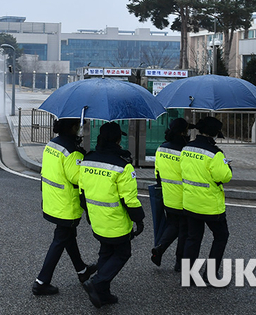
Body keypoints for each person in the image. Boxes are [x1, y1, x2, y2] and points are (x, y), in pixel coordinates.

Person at [79, 122, 145, 308]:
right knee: (123, 253)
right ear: (117, 140)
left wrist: (89, 215)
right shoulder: (123, 166)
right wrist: (139, 220)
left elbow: (82, 193)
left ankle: (103, 293)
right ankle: (97, 282)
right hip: (116, 221)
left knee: (106, 252)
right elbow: (130, 200)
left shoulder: (87, 160)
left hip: (96, 218)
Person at [33, 118, 97, 296]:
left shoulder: (52, 144)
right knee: (61, 238)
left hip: (52, 200)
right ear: (73, 127)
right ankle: (41, 282)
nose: (80, 129)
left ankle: (82, 271)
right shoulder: (72, 151)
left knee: (68, 236)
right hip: (66, 204)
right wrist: (85, 162)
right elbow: (77, 179)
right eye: (78, 126)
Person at [180, 116, 233, 285]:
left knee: (193, 238)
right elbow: (224, 177)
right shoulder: (215, 153)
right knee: (221, 236)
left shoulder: (187, 148)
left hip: (190, 201)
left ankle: (188, 275)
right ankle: (209, 275)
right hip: (210, 206)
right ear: (215, 133)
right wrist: (228, 167)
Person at [151, 118, 192, 272]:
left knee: (173, 224)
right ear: (183, 132)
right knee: (184, 231)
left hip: (168, 197)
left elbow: (157, 174)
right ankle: (179, 263)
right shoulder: (186, 151)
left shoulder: (161, 148)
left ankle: (160, 248)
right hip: (185, 198)